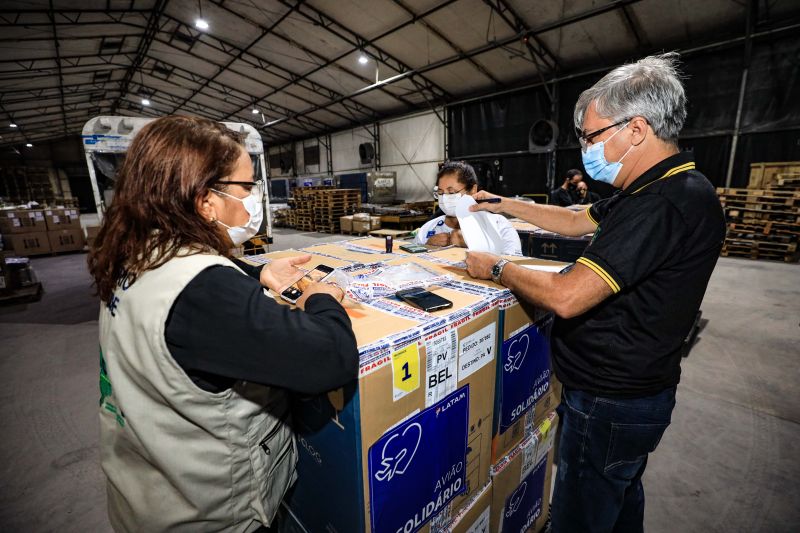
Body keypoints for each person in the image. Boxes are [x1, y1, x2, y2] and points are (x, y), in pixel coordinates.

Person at [462, 53, 725, 533]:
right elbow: (576, 219)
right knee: (620, 498)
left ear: (637, 129)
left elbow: (567, 296)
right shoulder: (651, 188)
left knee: (579, 517)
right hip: (635, 393)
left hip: (611, 399)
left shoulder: (664, 203)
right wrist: (502, 205)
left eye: (592, 135)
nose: (585, 148)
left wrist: (497, 266)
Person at [87, 116, 359, 532]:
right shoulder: (204, 291)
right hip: (209, 512)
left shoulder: (138, 252)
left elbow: (196, 296)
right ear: (205, 200)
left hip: (147, 488)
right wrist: (322, 297)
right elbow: (330, 359)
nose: (255, 198)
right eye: (246, 187)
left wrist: (258, 276)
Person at [414, 160, 522, 255]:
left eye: (451, 192)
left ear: (472, 190)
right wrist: (426, 247)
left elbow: (513, 266)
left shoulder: (499, 226)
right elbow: (411, 262)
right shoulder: (428, 229)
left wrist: (474, 243)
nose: (445, 198)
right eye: (440, 193)